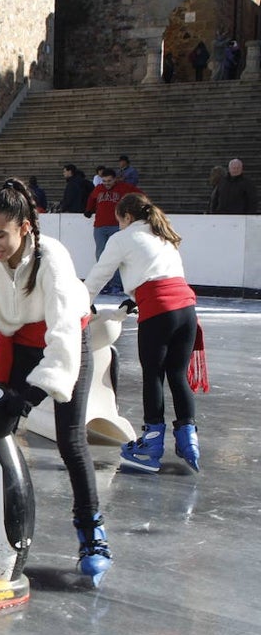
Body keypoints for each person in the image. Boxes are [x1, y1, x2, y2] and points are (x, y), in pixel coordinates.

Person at [0, 178, 111, 584]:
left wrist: (29, 395)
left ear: (24, 227)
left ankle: (91, 531)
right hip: (17, 340)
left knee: (71, 438)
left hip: (65, 338)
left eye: (0, 235)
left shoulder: (51, 256)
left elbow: (62, 332)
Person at [83, 193, 205, 473]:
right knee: (177, 373)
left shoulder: (122, 238)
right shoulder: (164, 234)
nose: (119, 226)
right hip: (186, 309)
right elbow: (162, 275)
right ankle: (189, 440)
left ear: (126, 217)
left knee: (154, 374)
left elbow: (98, 276)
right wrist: (133, 300)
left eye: (119, 221)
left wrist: (83, 303)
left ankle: (150, 446)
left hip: (159, 311)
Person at [84, 168, 141, 295]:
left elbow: (139, 195)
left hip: (116, 226)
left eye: (109, 181)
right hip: (99, 226)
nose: (107, 183)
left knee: (116, 256)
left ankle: (116, 284)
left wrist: (135, 211)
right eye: (104, 181)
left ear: (115, 179)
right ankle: (104, 284)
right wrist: (89, 209)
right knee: (101, 255)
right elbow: (91, 199)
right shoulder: (99, 188)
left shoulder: (124, 187)